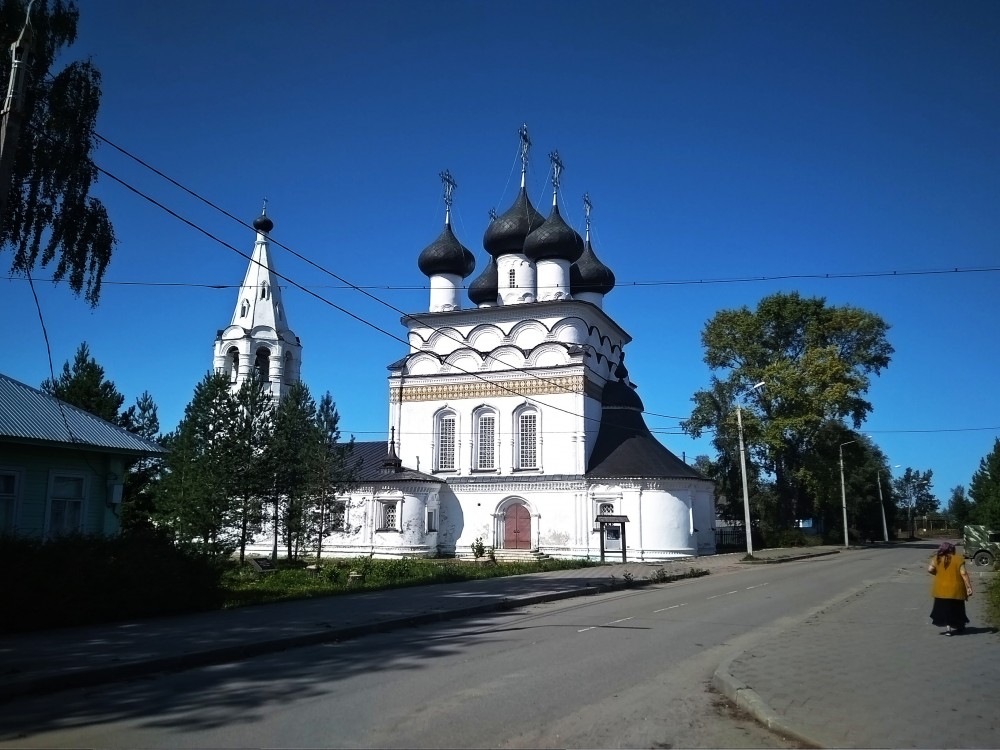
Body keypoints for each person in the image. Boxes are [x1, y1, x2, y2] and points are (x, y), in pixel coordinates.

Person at [928, 541, 973, 635]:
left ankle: (948, 629)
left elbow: (930, 569)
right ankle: (960, 625)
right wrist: (969, 587)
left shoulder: (936, 558)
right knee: (957, 608)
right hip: (956, 588)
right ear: (952, 550)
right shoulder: (958, 559)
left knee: (944, 609)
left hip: (940, 589)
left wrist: (937, 573)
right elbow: (963, 573)